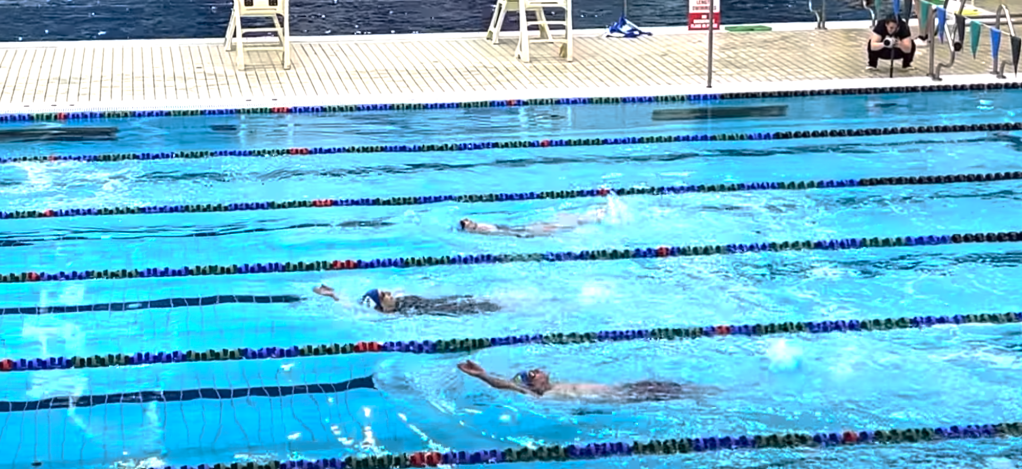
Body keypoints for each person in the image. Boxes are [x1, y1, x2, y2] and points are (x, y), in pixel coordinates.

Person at [456, 360, 717, 403]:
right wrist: (483, 375)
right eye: (530, 374)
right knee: (677, 393)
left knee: (671, 386)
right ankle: (711, 394)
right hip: (622, 398)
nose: (535, 371)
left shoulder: (556, 386)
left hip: (623, 390)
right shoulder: (542, 395)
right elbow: (506, 385)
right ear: (530, 385)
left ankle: (708, 392)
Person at [459, 197, 624, 238]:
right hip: (523, 232)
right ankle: (594, 218)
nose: (470, 222)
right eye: (469, 223)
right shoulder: (486, 230)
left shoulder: (487, 229)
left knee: (559, 223)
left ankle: (592, 217)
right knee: (559, 225)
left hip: (521, 230)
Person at [313, 286, 501, 316]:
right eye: (383, 295)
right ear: (382, 307)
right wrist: (333, 298)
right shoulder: (397, 314)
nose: (387, 292)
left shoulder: (400, 300)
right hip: (453, 310)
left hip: (452, 301)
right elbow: (360, 311)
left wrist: (335, 293)